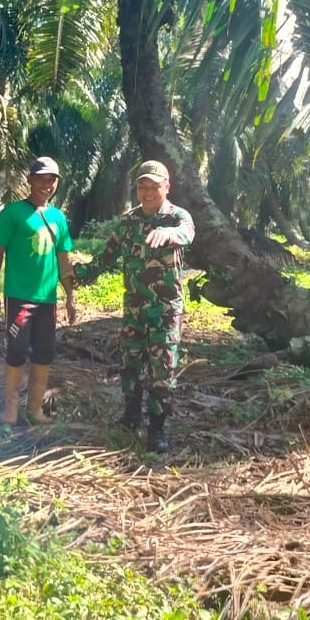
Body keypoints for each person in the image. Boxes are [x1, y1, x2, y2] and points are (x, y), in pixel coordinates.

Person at [76, 159, 194, 452]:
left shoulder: (178, 217)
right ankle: (130, 417)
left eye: (154, 186)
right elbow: (107, 256)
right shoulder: (128, 221)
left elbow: (187, 233)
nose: (148, 192)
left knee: (162, 369)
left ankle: (157, 429)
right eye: (142, 186)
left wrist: (169, 234)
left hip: (165, 311)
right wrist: (79, 274)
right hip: (134, 309)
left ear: (167, 187)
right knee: (131, 365)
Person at [0, 156, 77, 425]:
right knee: (17, 351)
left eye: (51, 180)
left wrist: (70, 296)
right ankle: (10, 410)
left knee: (45, 352)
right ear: (30, 180)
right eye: (40, 179)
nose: (45, 184)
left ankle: (35, 409)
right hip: (20, 299)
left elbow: (64, 260)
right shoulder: (12, 213)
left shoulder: (58, 218)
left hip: (47, 300)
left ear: (56, 183)